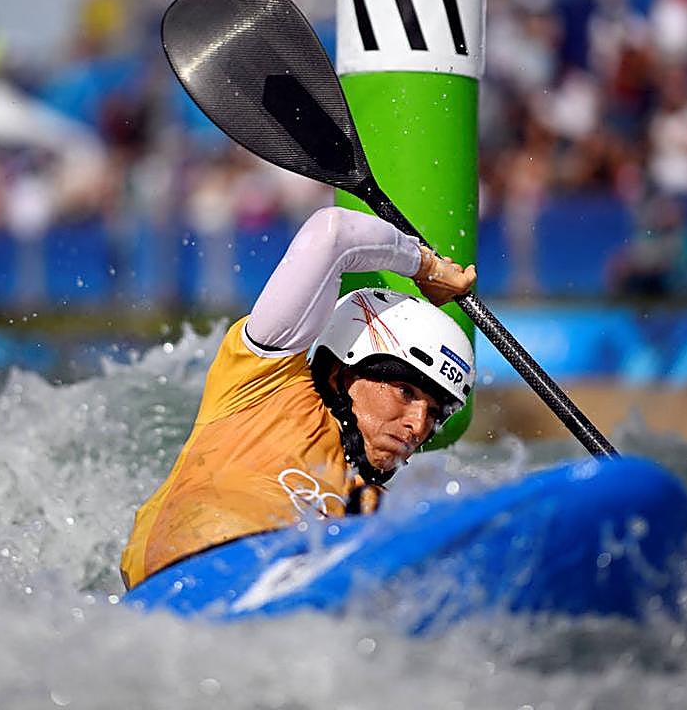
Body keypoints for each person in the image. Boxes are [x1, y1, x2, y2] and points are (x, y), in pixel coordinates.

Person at [121, 206, 477, 589]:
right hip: (169, 590)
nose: (418, 425)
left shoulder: (372, 510)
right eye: (405, 392)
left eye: (434, 413)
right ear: (341, 372)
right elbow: (333, 234)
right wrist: (427, 267)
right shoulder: (260, 384)